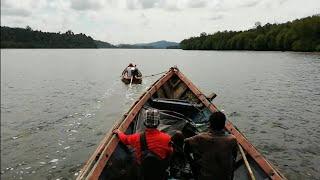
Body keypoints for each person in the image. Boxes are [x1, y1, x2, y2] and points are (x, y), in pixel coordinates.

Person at [113, 109, 173, 180]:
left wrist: (119, 132)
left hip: (143, 171)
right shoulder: (167, 138)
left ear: (144, 123)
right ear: (158, 123)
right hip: (160, 171)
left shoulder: (137, 137)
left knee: (132, 156)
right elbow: (170, 152)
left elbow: (125, 140)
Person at [184, 111, 237, 180]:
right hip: (226, 177)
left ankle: (192, 169)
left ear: (210, 124)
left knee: (192, 148)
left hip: (206, 177)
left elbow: (185, 142)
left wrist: (191, 162)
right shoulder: (232, 139)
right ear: (224, 124)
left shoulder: (201, 138)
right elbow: (234, 157)